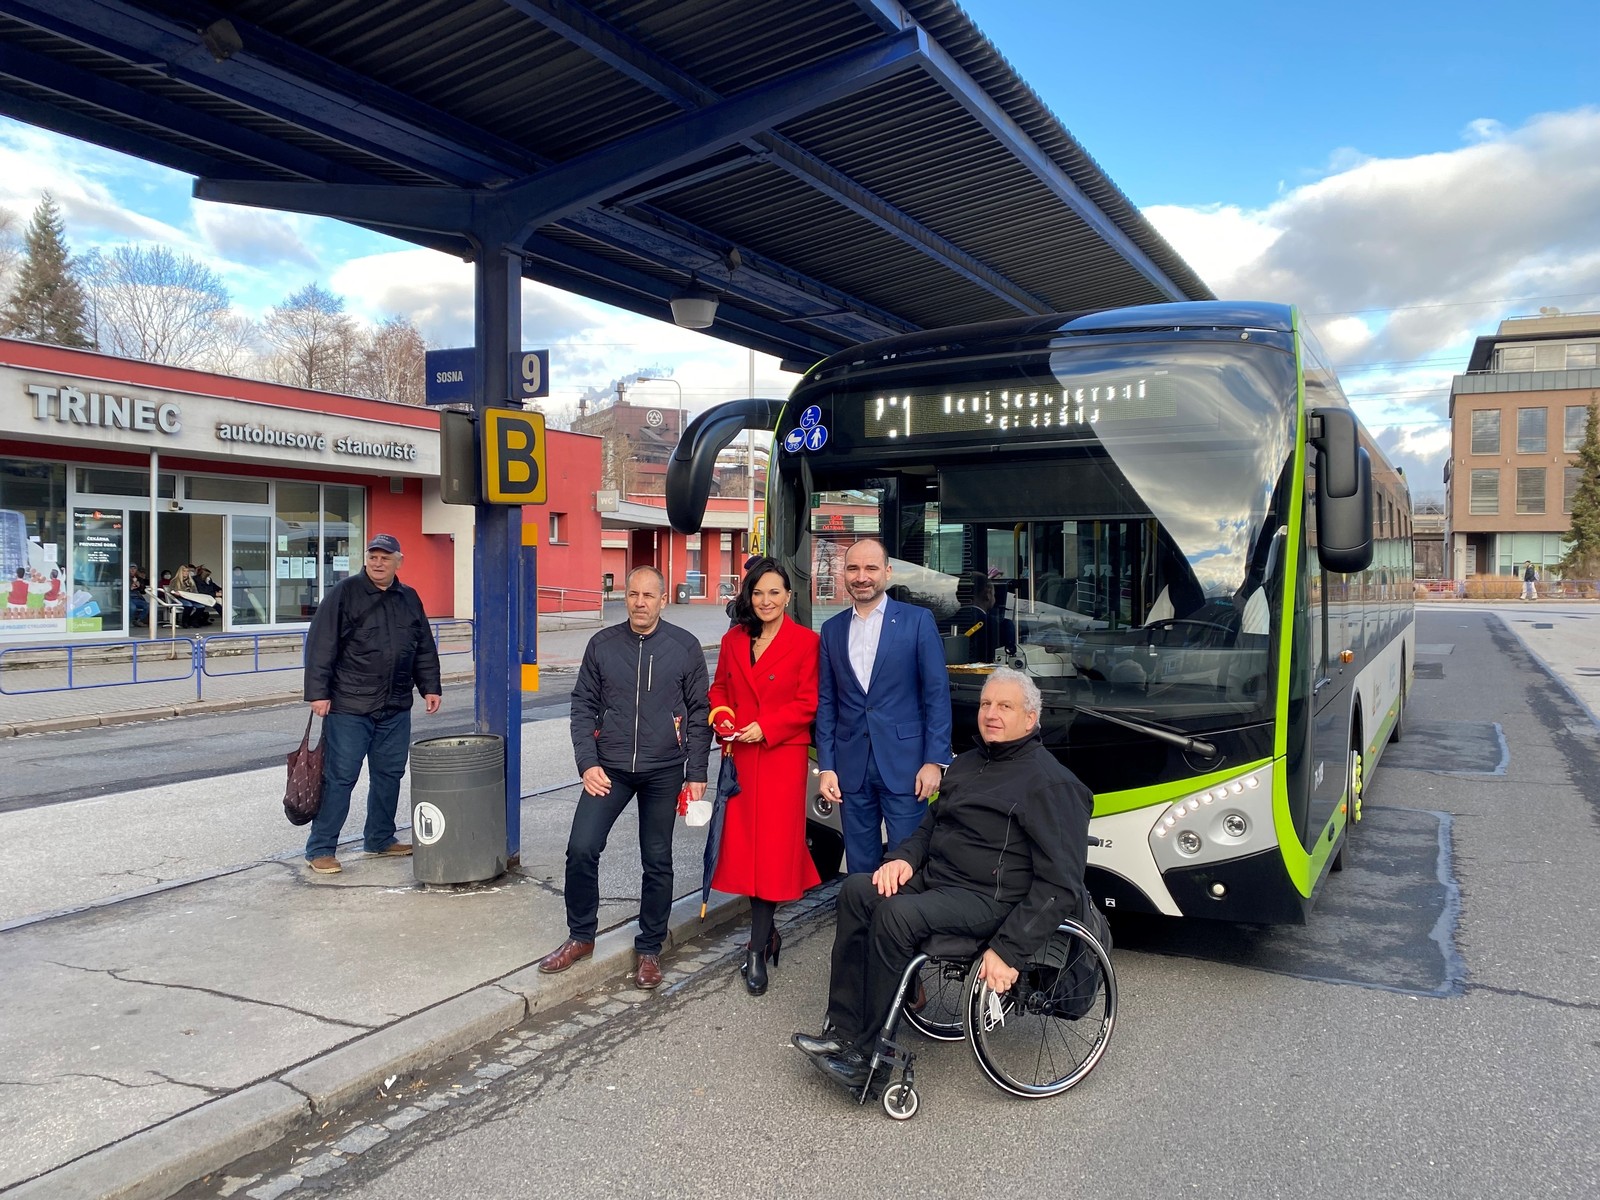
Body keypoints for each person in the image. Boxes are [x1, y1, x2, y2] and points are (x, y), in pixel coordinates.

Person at [792, 668, 1095, 1093]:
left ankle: (867, 1061)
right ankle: (842, 1031)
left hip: (990, 898)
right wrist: (902, 859)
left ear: (1030, 718)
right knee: (859, 890)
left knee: (897, 915)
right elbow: (929, 827)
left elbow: (1061, 884)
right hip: (940, 881)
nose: (991, 714)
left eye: (1004, 706)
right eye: (986, 704)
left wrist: (1009, 950)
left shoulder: (1051, 783)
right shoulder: (968, 763)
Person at [538, 566, 712, 991]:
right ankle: (581, 936)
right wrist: (587, 763)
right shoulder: (602, 645)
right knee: (581, 848)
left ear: (663, 600)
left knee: (657, 859)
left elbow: (700, 713)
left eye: (648, 595)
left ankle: (650, 947)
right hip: (610, 768)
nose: (639, 602)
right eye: (633, 594)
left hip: (664, 770)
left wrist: (696, 772)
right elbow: (582, 705)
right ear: (625, 597)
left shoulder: (684, 647)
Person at [707, 557, 822, 996]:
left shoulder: (806, 642)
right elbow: (719, 688)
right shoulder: (733, 639)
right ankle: (766, 934)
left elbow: (808, 702)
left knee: (771, 853)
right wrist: (722, 716)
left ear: (788, 597)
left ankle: (756, 947)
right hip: (740, 754)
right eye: (758, 593)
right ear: (748, 596)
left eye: (774, 592)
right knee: (745, 852)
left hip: (779, 756)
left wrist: (767, 726)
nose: (766, 600)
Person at [301, 533, 442, 875]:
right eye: (373, 556)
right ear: (366, 559)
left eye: (385, 557)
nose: (378, 563)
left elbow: (423, 646)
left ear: (398, 561)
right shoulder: (345, 593)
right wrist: (318, 693)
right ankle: (321, 848)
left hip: (395, 705)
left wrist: (430, 687)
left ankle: (380, 838)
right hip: (349, 705)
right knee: (340, 776)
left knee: (390, 774)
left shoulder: (409, 598)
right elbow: (321, 644)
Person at [815, 539, 953, 874]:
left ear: (887, 572)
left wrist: (934, 761)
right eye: (853, 568)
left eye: (871, 568)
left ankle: (905, 912)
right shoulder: (831, 630)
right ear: (844, 573)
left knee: (908, 861)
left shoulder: (917, 621)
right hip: (851, 768)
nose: (861, 577)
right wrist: (827, 766)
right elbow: (828, 703)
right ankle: (864, 911)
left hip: (907, 767)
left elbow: (936, 695)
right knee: (860, 866)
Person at [948, 572, 1016, 663]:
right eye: (993, 594)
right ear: (987, 594)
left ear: (958, 596)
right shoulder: (1001, 626)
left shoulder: (941, 625)